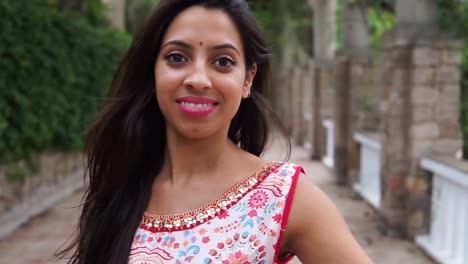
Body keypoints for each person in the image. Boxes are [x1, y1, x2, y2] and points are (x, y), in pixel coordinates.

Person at [58, 0, 373, 263]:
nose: (198, 79)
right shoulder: (122, 182)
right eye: (177, 58)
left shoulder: (283, 197)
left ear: (247, 79)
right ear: (153, 70)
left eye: (222, 61)